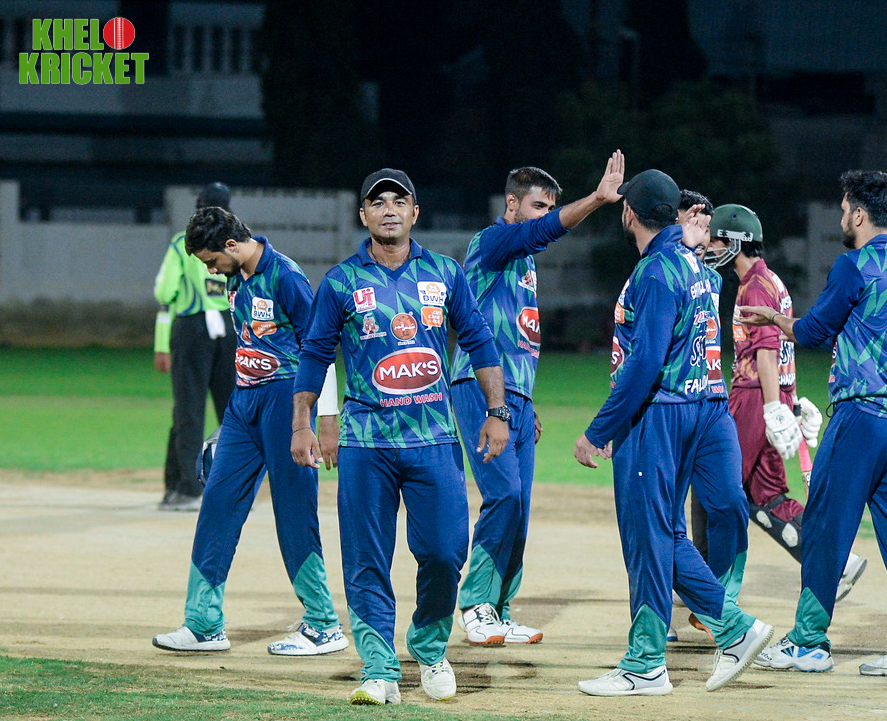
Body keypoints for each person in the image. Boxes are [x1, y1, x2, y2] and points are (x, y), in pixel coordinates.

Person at [291, 169, 510, 706]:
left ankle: (430, 648)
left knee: (445, 552)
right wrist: (304, 423)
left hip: (433, 438)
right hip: (366, 443)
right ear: (363, 215)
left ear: (415, 213)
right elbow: (315, 355)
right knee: (366, 559)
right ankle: (379, 668)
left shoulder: (445, 273)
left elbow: (480, 340)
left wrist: (497, 411)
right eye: (377, 202)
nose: (389, 209)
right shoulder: (341, 282)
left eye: (399, 201)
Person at [573, 169, 773, 696]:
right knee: (667, 532)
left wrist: (598, 430)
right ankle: (689, 645)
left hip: (659, 414)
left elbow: (645, 362)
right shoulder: (696, 267)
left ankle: (676, 652)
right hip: (699, 408)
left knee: (649, 535)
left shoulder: (657, 271)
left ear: (629, 213)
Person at [744, 170, 887, 677]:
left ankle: (808, 642)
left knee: (824, 527)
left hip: (860, 417)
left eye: (842, 210)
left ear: (858, 213)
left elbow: (814, 331)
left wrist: (773, 320)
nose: (840, 219)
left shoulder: (855, 265)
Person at [152, 207, 346, 658]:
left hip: (287, 402)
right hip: (244, 405)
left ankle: (323, 625)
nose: (209, 270)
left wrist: (322, 420)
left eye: (210, 261)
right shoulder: (235, 278)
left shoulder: (287, 277)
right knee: (217, 504)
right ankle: (204, 624)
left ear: (232, 246)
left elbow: (319, 349)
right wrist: (232, 422)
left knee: (294, 512)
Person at [450, 151, 625, 646]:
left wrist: (526, 402)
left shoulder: (523, 262)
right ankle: (475, 605)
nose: (545, 215)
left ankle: (499, 609)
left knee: (520, 506)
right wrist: (597, 200)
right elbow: (541, 233)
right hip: (479, 389)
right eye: (538, 206)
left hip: (518, 397)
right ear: (512, 204)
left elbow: (517, 335)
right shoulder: (492, 243)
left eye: (550, 206)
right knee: (504, 495)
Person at [703, 204, 867, 601]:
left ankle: (706, 584)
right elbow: (783, 350)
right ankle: (836, 562)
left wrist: (774, 407)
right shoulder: (770, 279)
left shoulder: (754, 286)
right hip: (772, 396)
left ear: (735, 242)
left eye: (716, 239)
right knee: (768, 497)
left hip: (753, 398)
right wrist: (788, 401)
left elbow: (765, 352)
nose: (710, 247)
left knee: (718, 487)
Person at [671, 191, 749, 641]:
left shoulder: (712, 279)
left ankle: (714, 600)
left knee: (729, 502)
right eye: (695, 221)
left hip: (710, 405)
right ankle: (653, 616)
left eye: (707, 223)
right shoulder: (657, 273)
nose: (705, 231)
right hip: (668, 408)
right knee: (662, 518)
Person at [153, 182, 236, 511]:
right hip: (231, 328)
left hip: (193, 329)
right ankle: (236, 489)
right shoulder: (236, 243)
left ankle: (188, 489)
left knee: (188, 411)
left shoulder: (182, 244)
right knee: (233, 412)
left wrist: (161, 342)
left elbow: (164, 292)